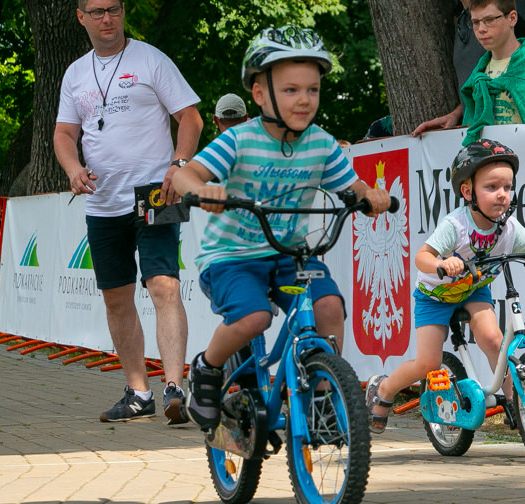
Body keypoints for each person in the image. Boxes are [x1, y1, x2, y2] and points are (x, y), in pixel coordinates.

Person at [171, 26, 391, 430]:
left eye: (312, 89)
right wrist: (201, 190)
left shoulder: (322, 144)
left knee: (328, 307)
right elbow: (185, 174)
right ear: (259, 94)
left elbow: (351, 186)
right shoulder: (239, 140)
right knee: (255, 317)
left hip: (291, 254)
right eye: (291, 90)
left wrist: (368, 194)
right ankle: (207, 367)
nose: (304, 99)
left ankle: (324, 396)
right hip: (232, 257)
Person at [53, 0, 203, 424]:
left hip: (155, 193)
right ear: (81, 17)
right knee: (116, 298)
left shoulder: (151, 59)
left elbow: (190, 119)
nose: (107, 18)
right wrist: (73, 168)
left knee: (164, 286)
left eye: (114, 9)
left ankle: (175, 386)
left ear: (122, 12)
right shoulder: (75, 73)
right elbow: (65, 133)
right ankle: (138, 391)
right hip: (102, 202)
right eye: (97, 11)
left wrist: (178, 165)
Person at [365, 138, 525, 433]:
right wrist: (442, 264)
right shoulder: (455, 226)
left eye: (507, 188)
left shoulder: (508, 226)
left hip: (473, 290)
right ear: (468, 192)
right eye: (492, 187)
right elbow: (422, 257)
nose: (502, 195)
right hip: (436, 294)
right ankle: (384, 390)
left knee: (494, 340)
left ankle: (516, 403)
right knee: (428, 362)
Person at [412, 0, 525, 137]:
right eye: (475, 22)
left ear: (512, 18)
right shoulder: (466, 29)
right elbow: (488, 87)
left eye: (489, 20)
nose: (481, 29)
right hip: (485, 166)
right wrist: (457, 115)